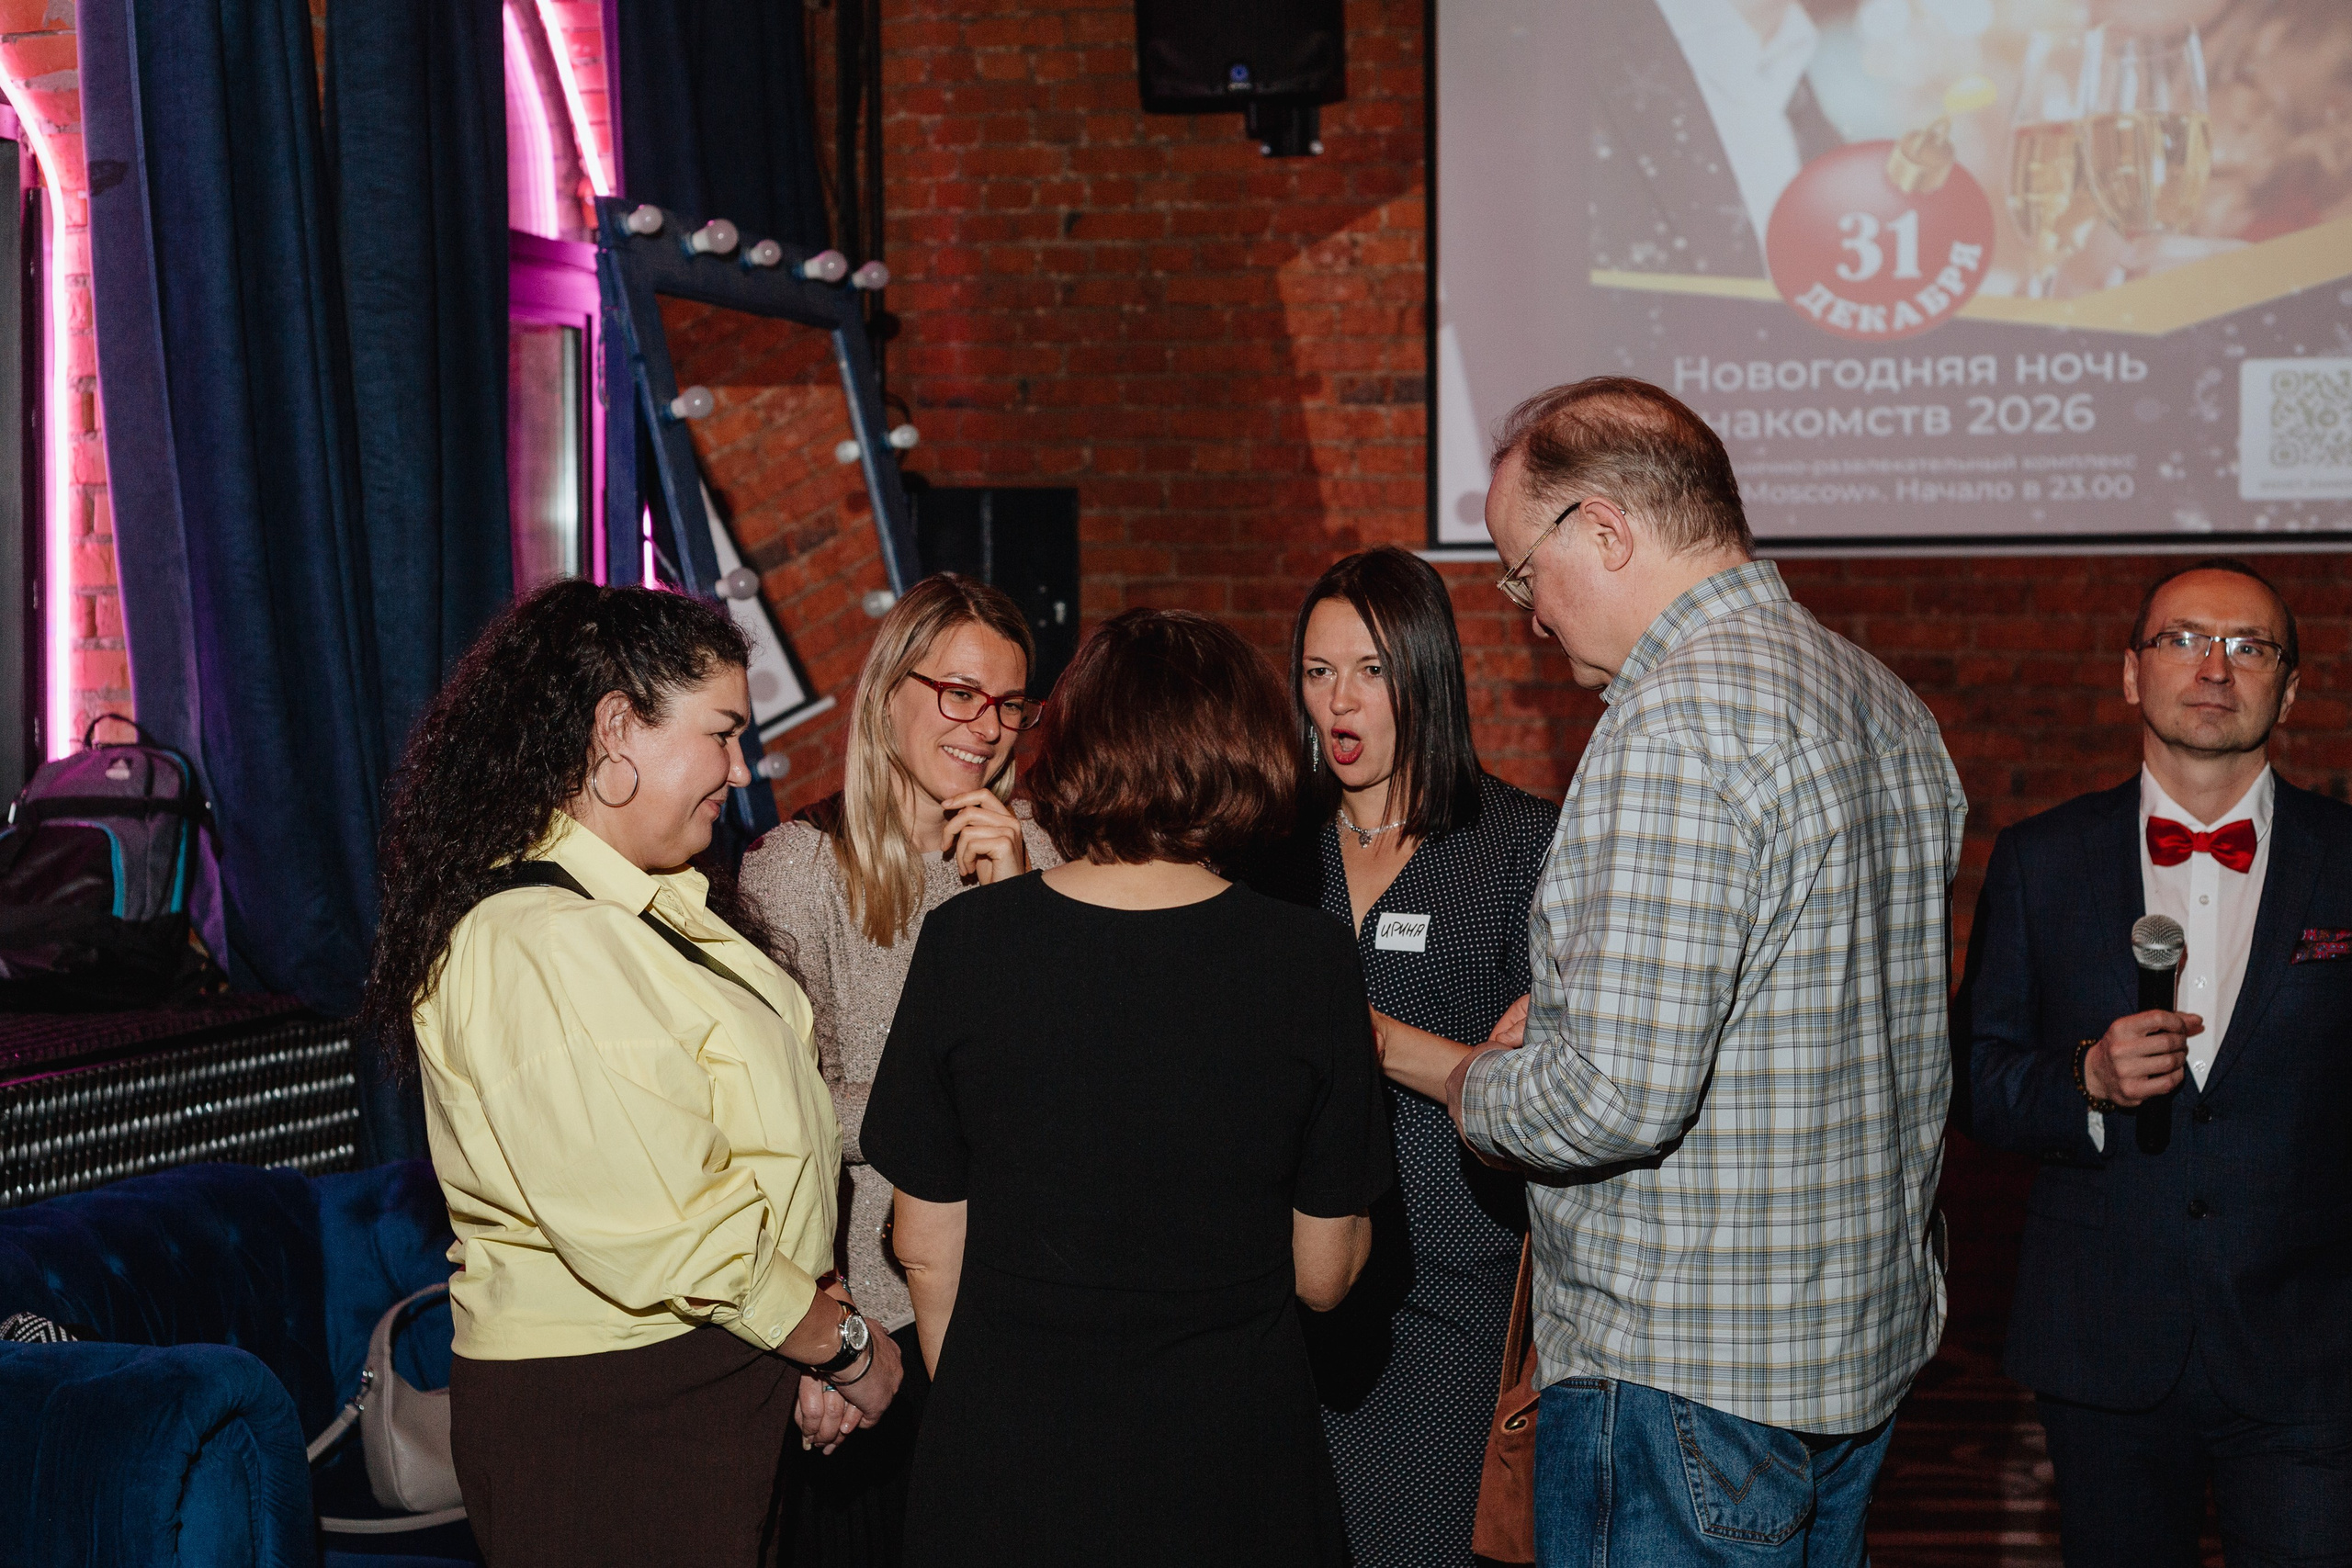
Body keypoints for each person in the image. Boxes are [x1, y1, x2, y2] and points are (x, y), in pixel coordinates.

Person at [1396, 376, 1966, 1566]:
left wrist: (1469, 1079)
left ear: (1604, 529)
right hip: (1850, 1356)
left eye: (1521, 573)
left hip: (1686, 1377)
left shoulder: (1674, 724)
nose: (1529, 615)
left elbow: (1608, 1101)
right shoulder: (1878, 696)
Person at [360, 581, 901, 1567]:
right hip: (613, 1408)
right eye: (721, 733)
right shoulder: (540, 938)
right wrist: (840, 1343)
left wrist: (810, 1324)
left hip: (699, 1373)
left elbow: (765, 1155)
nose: (740, 768)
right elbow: (667, 1225)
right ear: (616, 728)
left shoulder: (648, 908)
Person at [861, 608, 1395, 1568]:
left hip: (1009, 1461)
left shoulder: (969, 943)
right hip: (1231, 1467)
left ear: (1076, 746)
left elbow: (924, 1246)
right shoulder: (1307, 959)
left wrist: (985, 1415)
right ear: (1245, 750)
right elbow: (1323, 1276)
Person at [1959, 558, 2352, 1566]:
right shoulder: (2041, 858)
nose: (2213, 668)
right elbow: (1975, 1080)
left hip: (2312, 1346)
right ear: (2132, 673)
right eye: (2182, 639)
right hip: (2104, 1341)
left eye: (2248, 646)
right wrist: (2084, 1080)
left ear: (2289, 689)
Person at [740, 573, 1059, 1562]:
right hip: (868, 1322)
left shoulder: (1036, 853)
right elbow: (780, 1114)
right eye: (960, 693)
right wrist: (827, 1331)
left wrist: (1020, 906)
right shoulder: (797, 866)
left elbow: (1069, 1085)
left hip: (1015, 1306)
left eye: (1008, 703)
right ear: (888, 696)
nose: (987, 727)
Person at [1261, 546, 1557, 1566]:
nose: (1338, 701)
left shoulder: (1518, 848)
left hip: (1451, 1291)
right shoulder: (1272, 851)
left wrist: (1369, 1038)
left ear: (1425, 675)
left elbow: (1541, 1089)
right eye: (1317, 671)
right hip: (1282, 1287)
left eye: (1370, 671)